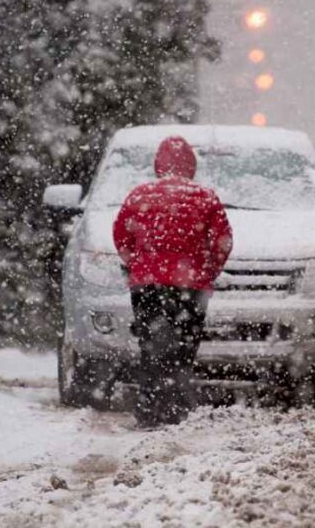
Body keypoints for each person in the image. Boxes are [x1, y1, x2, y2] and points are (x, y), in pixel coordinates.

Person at [112, 136, 232, 427]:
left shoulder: (139, 196)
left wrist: (137, 266)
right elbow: (223, 242)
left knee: (151, 344)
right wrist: (208, 271)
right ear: (191, 165)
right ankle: (177, 405)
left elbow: (121, 235)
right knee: (183, 347)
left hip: (147, 286)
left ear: (158, 164)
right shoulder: (206, 198)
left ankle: (149, 406)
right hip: (190, 287)